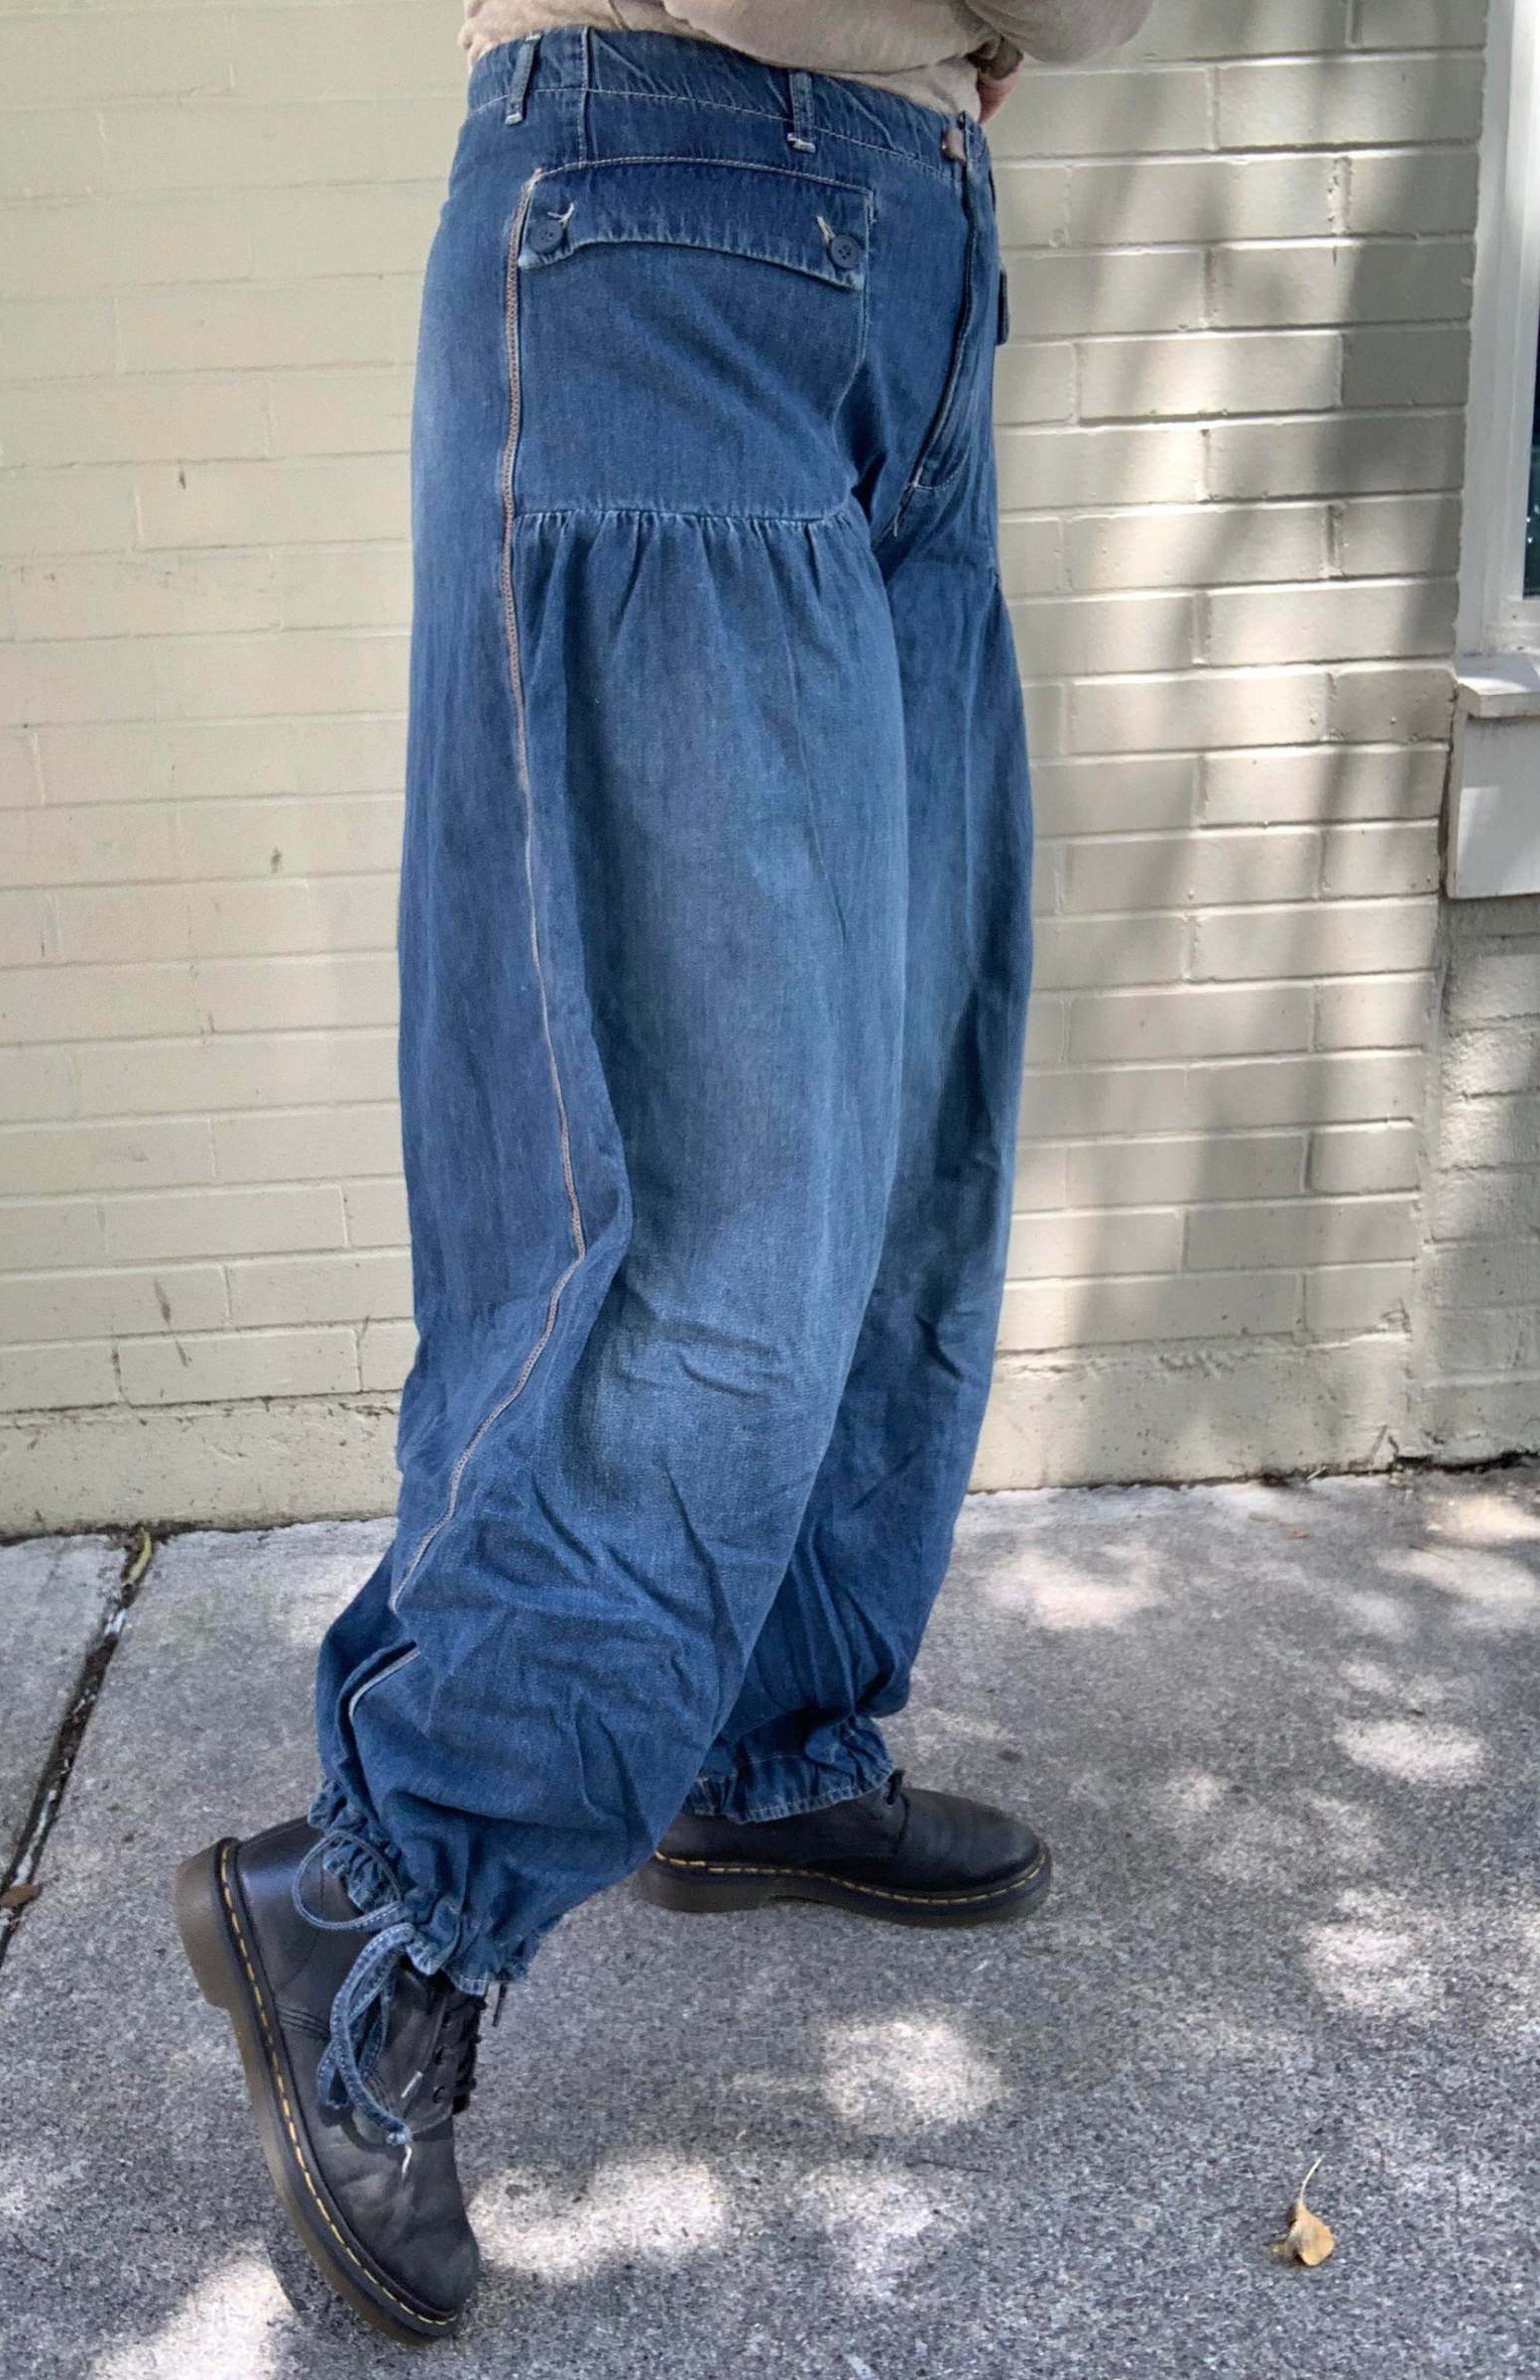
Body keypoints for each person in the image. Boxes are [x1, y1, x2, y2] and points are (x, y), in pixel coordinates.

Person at [177, 0, 1152, 2344]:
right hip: (674, 210)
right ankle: (381, 1909)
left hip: (913, 257)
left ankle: (767, 1744)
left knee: (903, 1128)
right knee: (709, 1200)